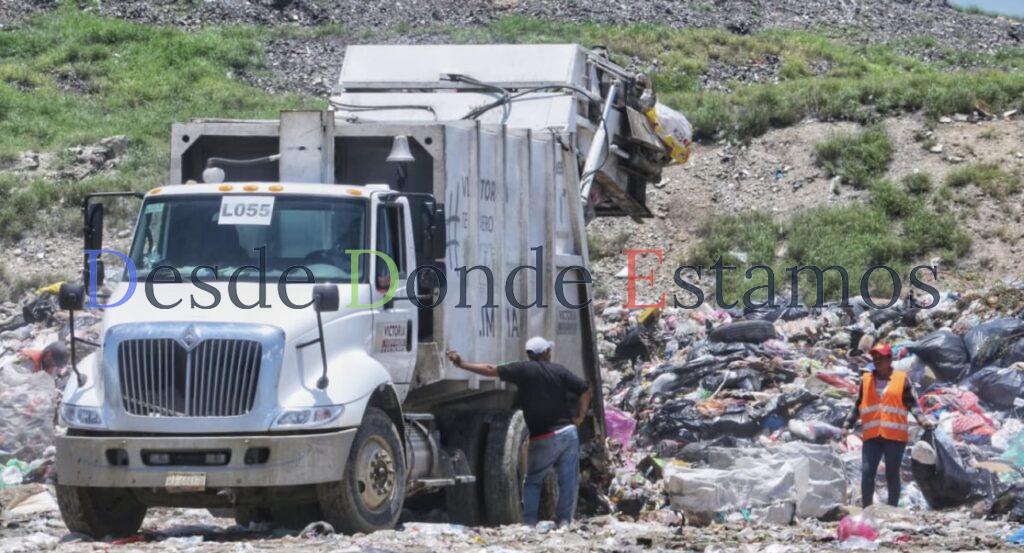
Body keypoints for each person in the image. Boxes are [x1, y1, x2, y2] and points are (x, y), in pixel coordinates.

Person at [446, 336, 591, 526]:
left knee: (533, 481)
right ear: (546, 353)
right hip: (567, 433)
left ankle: (529, 523)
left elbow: (490, 370)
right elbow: (585, 389)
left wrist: (461, 363)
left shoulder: (521, 369)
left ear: (529, 354)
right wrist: (579, 417)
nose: (550, 353)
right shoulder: (559, 370)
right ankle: (564, 521)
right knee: (568, 480)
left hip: (543, 436)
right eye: (549, 350)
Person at [844, 343, 935, 507]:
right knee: (867, 472)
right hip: (872, 435)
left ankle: (893, 509)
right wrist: (848, 423)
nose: (877, 361)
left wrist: (923, 421)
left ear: (890, 359)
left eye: (881, 357)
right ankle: (867, 509)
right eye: (875, 358)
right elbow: (858, 404)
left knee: (891, 473)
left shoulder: (901, 379)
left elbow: (912, 404)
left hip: (894, 437)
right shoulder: (866, 380)